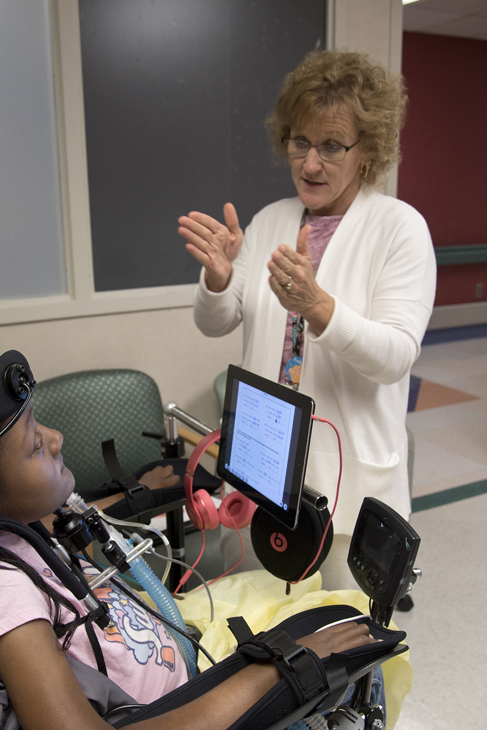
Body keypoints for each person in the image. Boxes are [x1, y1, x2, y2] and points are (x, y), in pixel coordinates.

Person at [0, 356, 387, 730]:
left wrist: (134, 494)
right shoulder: (0, 591)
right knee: (356, 655)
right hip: (159, 727)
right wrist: (278, 670)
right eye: (36, 445)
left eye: (39, 423)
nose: (57, 439)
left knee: (327, 605)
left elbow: (46, 520)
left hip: (170, 661)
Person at [178, 50, 436, 589]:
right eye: (299, 141)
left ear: (369, 150)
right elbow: (216, 321)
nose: (310, 163)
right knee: (255, 628)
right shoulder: (272, 218)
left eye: (332, 146)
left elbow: (395, 356)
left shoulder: (399, 229)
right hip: (262, 467)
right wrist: (220, 279)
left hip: (348, 483)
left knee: (345, 646)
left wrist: (317, 307)